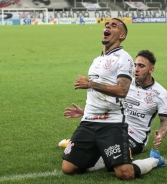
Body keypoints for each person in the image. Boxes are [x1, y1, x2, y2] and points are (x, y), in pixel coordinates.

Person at [61, 18, 164, 180]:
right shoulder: (97, 60)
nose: (108, 27)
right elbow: (95, 96)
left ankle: (153, 161)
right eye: (106, 25)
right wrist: (84, 111)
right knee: (68, 168)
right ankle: (97, 149)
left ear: (122, 35)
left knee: (125, 173)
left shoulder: (125, 59)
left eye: (114, 25)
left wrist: (89, 83)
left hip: (111, 124)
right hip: (89, 122)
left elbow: (122, 90)